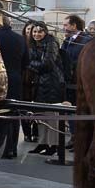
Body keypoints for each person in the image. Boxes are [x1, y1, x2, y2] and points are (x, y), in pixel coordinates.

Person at [0, 6, 28, 159]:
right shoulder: (20, 39)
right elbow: (26, 62)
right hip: (15, 78)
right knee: (13, 113)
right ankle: (12, 148)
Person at [27, 21, 65, 157]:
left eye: (40, 31)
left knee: (52, 115)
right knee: (40, 115)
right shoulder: (33, 45)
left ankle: (53, 145)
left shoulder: (51, 43)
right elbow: (39, 64)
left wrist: (30, 64)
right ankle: (42, 143)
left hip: (52, 84)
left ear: (45, 32)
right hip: (39, 84)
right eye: (35, 31)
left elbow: (48, 64)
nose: (37, 34)